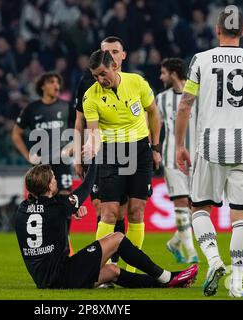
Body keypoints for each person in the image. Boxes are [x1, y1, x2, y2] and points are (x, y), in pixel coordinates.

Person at [175, 8, 243, 298]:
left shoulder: (201, 61)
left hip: (209, 145)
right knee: (241, 215)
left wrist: (180, 145)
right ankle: (237, 284)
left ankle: (215, 261)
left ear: (217, 29)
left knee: (200, 209)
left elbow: (185, 105)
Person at [15, 162, 198, 289]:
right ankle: (166, 277)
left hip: (44, 280)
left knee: (112, 271)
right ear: (48, 186)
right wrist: (95, 162)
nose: (56, 180)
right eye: (53, 179)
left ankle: (167, 283)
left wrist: (70, 210)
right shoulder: (59, 206)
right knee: (117, 238)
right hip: (63, 274)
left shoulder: (22, 210)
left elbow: (45, 218)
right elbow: (85, 188)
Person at [82, 49, 161, 273]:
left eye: (103, 74)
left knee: (136, 211)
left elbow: (154, 112)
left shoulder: (137, 82)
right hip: (111, 152)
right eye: (95, 76)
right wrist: (91, 144)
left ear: (114, 66)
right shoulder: (91, 96)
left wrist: (155, 147)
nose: (100, 80)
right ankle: (100, 268)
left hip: (140, 150)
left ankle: (131, 271)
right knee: (109, 213)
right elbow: (94, 131)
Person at [73, 36, 128, 271]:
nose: (111, 56)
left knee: (121, 211)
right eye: (107, 52)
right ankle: (100, 264)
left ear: (122, 55)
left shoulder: (132, 82)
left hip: (127, 153)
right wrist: (78, 155)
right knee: (102, 208)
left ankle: (115, 261)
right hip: (97, 153)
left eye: (115, 52)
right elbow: (79, 122)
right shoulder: (88, 82)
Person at [156, 58, 199, 264]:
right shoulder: (161, 99)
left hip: (197, 158)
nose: (160, 77)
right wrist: (154, 149)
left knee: (195, 204)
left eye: (163, 73)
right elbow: (154, 128)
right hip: (171, 157)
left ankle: (175, 242)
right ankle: (190, 251)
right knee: (181, 201)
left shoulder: (196, 95)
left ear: (173, 74)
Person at [12, 72, 73, 195]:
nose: (56, 85)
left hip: (62, 161)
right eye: (52, 82)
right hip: (41, 162)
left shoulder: (66, 106)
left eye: (58, 82)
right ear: (42, 86)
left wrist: (72, 146)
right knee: (41, 197)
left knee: (65, 197)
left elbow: (81, 126)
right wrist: (28, 155)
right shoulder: (32, 109)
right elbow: (16, 134)